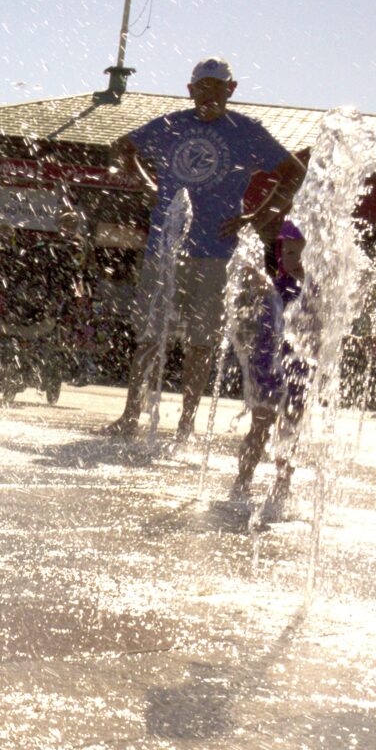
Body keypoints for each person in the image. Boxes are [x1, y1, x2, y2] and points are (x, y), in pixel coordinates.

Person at [105, 57, 306, 439]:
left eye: (217, 86)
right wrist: (148, 185)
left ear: (231, 90)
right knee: (150, 335)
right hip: (165, 248)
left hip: (216, 251)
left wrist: (255, 220)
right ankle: (131, 416)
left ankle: (186, 422)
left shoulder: (246, 132)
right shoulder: (171, 124)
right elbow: (121, 147)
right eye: (202, 86)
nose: (208, 93)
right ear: (190, 90)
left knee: (201, 343)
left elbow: (294, 172)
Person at [233, 217, 307, 510]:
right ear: (279, 254)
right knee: (260, 426)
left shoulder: (315, 292)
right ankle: (242, 479)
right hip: (268, 364)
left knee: (290, 428)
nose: (295, 260)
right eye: (289, 253)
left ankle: (281, 486)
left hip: (300, 367)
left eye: (301, 254)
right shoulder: (272, 286)